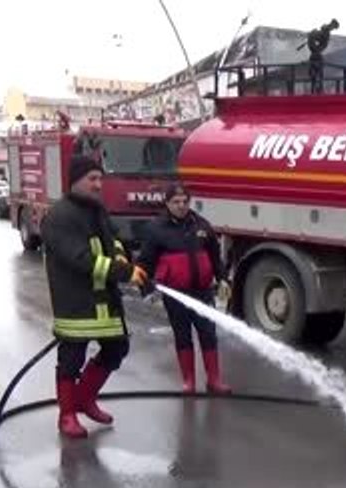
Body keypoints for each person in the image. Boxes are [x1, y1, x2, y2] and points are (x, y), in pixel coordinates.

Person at [43, 155, 148, 439]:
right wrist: (122, 272)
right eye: (92, 179)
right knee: (71, 359)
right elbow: (80, 258)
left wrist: (121, 258)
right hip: (75, 302)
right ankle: (67, 415)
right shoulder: (59, 216)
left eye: (100, 178)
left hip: (105, 301)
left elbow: (113, 241)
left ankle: (85, 399)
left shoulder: (97, 210)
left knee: (117, 348)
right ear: (75, 180)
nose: (99, 184)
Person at [137, 183, 232, 394]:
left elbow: (215, 257)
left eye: (185, 201)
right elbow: (145, 262)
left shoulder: (202, 225)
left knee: (208, 334)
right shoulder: (156, 229)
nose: (181, 206)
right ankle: (189, 382)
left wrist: (223, 279)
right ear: (167, 203)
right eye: (176, 202)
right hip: (176, 295)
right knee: (182, 336)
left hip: (202, 292)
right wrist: (146, 290)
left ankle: (214, 380)